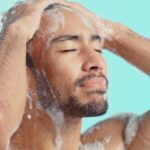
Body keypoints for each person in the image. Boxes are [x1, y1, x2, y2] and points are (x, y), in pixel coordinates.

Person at [0, 0, 150, 150]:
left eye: (98, 49)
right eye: (69, 49)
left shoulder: (114, 145)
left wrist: (113, 33)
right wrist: (16, 32)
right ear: (25, 75)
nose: (97, 62)